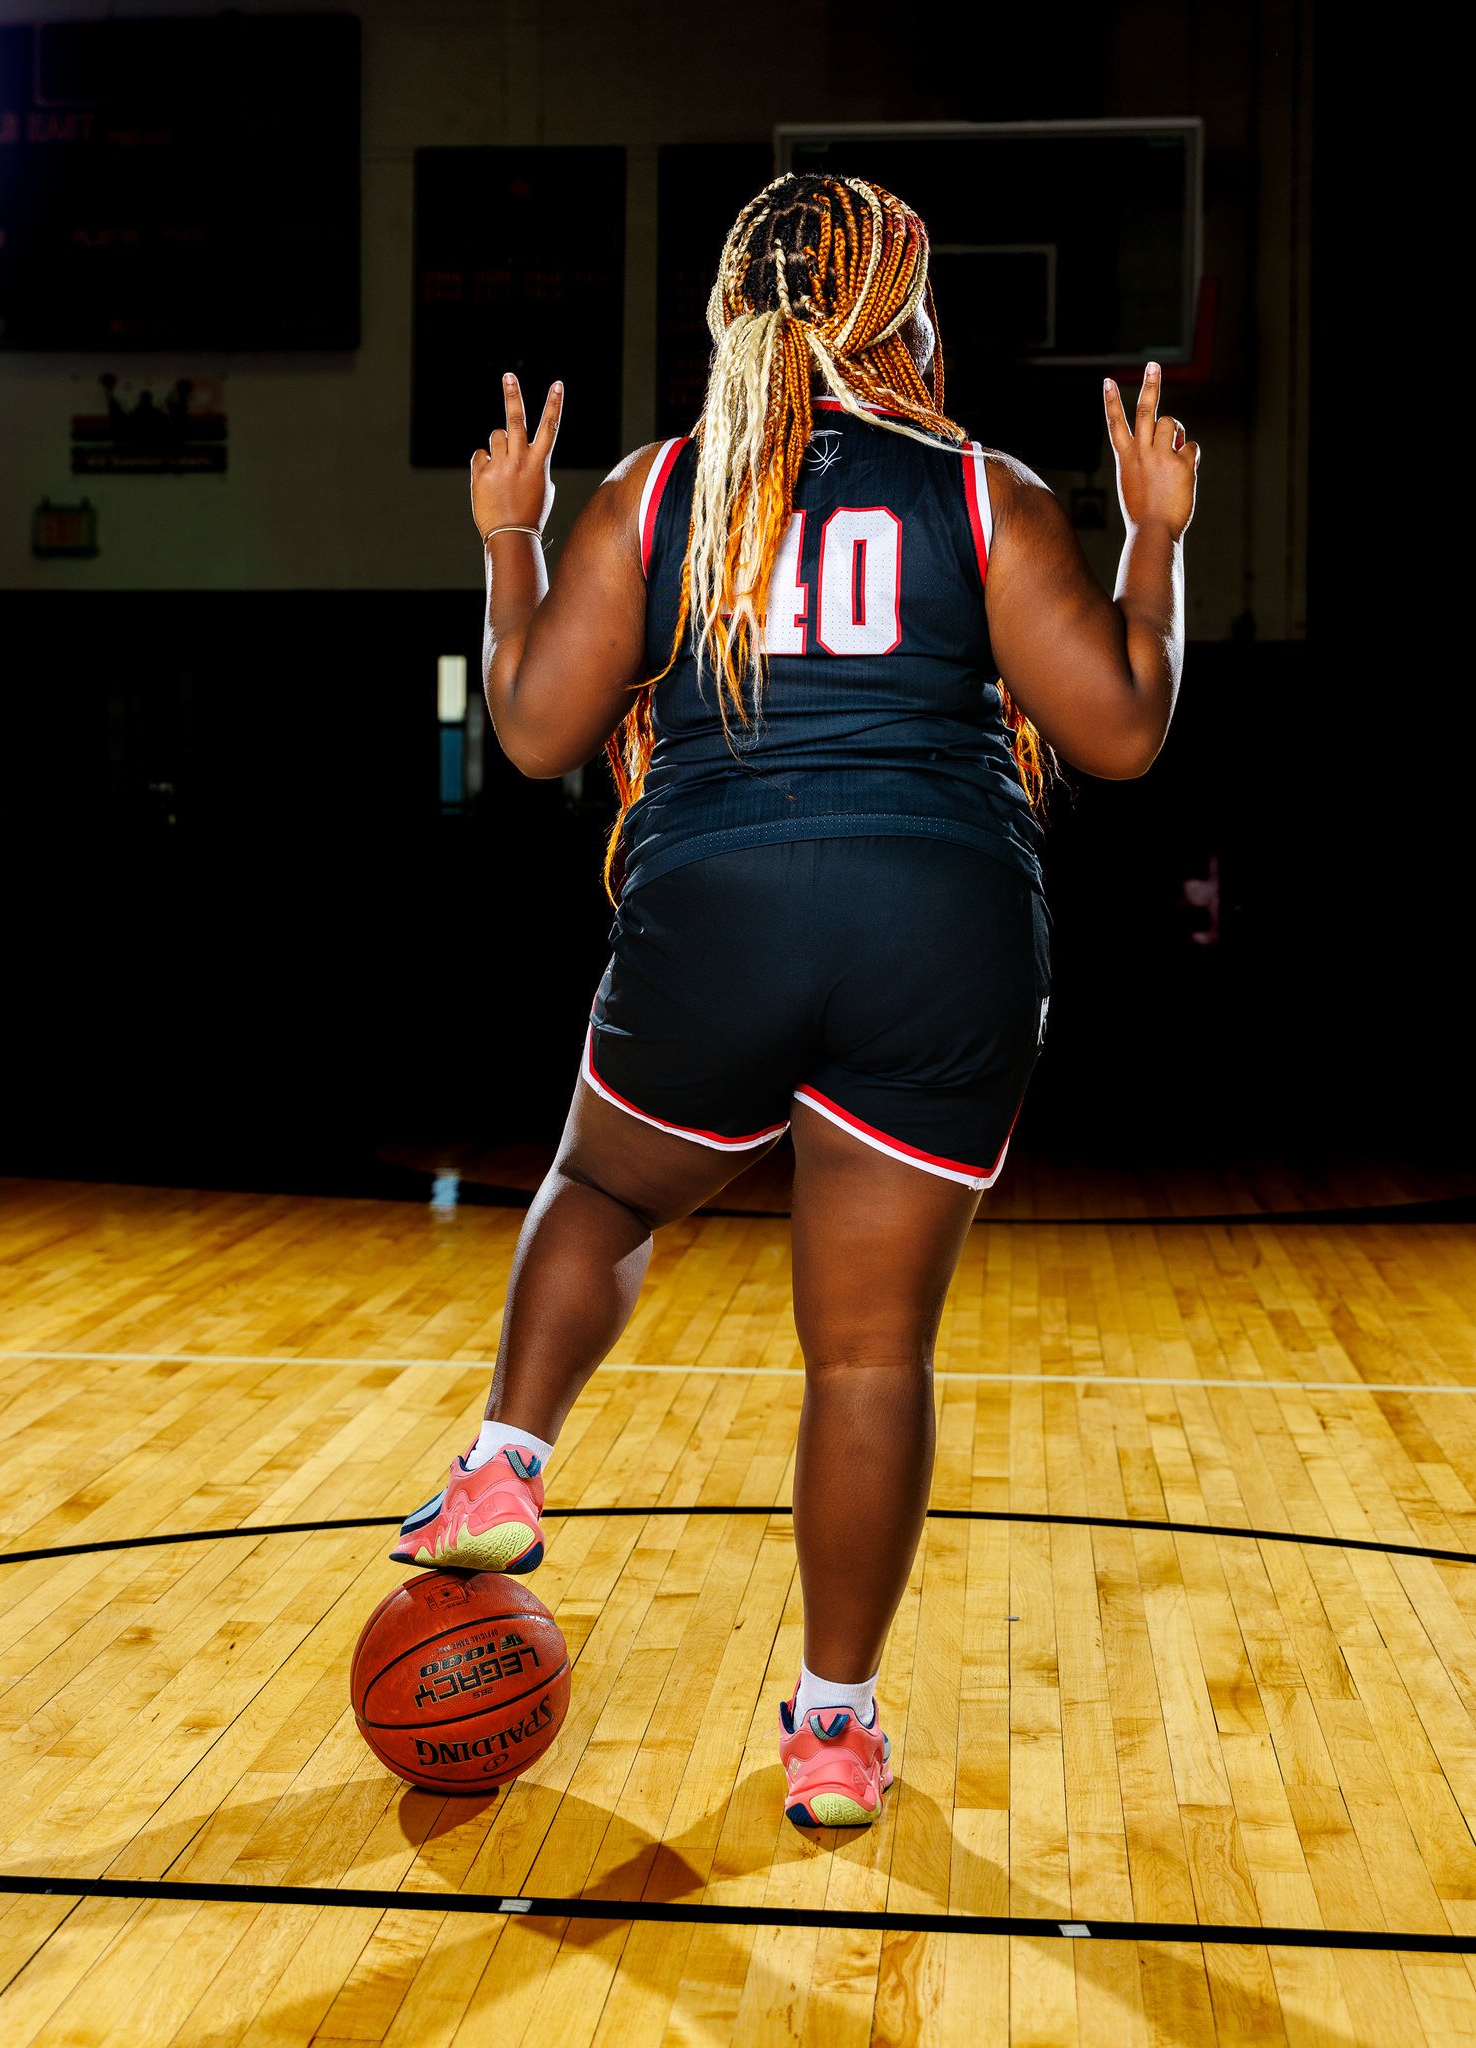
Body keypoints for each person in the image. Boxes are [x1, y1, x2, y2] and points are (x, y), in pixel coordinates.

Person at [392, 172, 1199, 1829]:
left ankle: (504, 1463)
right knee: (865, 1356)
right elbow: (1118, 734)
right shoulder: (987, 494)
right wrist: (1153, 541)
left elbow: (537, 741)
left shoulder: (656, 487)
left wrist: (509, 537)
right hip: (945, 932)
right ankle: (831, 1734)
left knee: (608, 1184)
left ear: (728, 318)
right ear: (900, 317)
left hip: (721, 910)